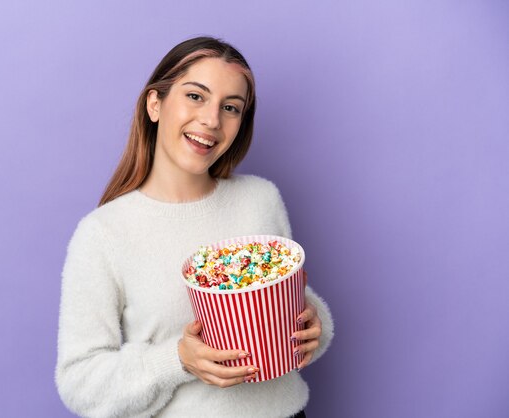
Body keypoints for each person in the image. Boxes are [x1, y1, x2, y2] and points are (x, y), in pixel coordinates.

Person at [55, 36, 334, 418]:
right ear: (155, 104)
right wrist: (177, 360)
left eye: (231, 107)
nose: (211, 120)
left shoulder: (260, 200)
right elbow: (79, 382)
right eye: (195, 96)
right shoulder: (103, 233)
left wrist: (314, 326)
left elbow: (293, 305)